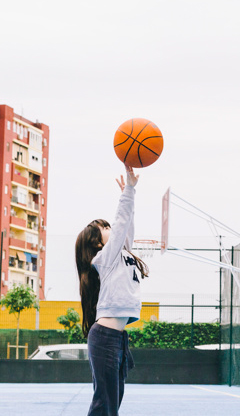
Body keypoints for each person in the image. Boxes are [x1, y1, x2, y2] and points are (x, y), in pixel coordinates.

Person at [75, 166, 149, 415]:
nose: (111, 228)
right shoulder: (104, 258)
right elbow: (120, 226)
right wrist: (127, 192)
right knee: (104, 404)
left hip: (116, 338)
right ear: (97, 242)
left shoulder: (121, 253)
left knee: (112, 403)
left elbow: (125, 228)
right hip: (105, 337)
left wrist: (132, 193)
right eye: (105, 228)